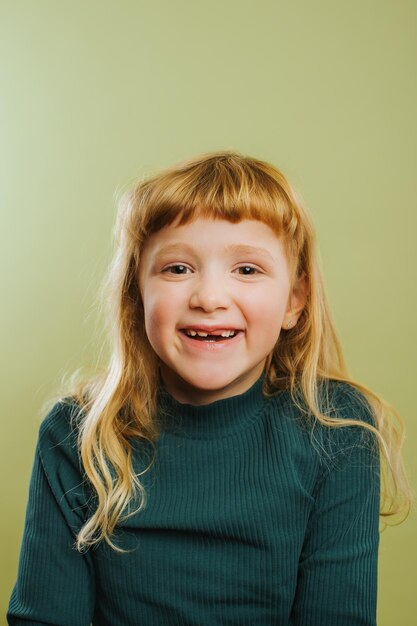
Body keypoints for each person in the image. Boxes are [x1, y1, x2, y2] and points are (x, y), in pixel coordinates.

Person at [7, 151, 412, 626]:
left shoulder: (337, 429)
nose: (209, 298)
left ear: (294, 301)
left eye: (247, 270)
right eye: (178, 269)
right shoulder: (77, 433)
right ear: (137, 294)